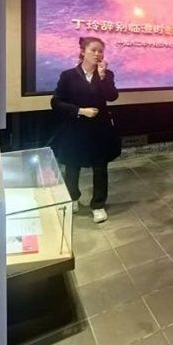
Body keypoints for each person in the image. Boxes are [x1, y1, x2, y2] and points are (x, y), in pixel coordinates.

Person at [50, 37, 119, 224]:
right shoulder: (68, 75)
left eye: (101, 51)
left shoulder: (107, 74)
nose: (98, 54)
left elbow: (112, 96)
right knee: (72, 165)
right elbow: (56, 102)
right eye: (93, 50)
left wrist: (103, 78)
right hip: (75, 127)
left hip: (100, 129)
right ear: (82, 52)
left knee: (100, 167)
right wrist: (80, 111)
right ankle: (73, 197)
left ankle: (98, 204)